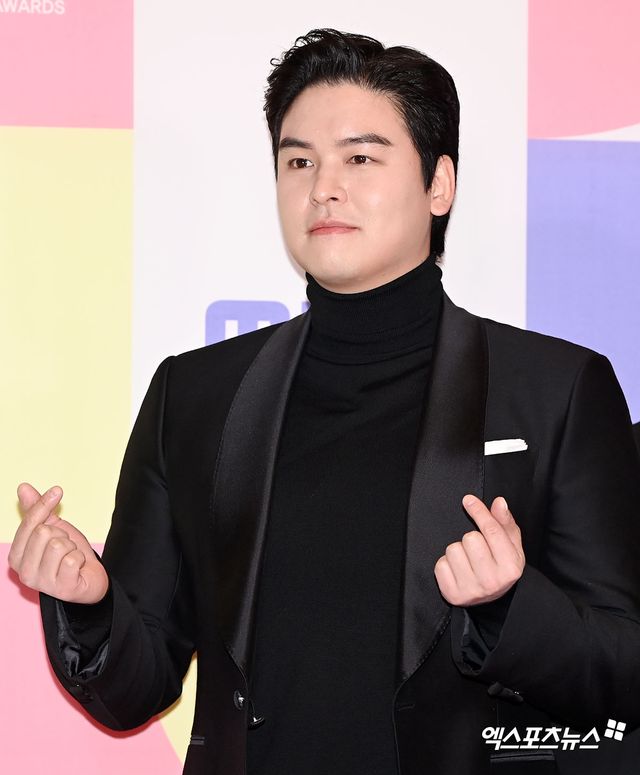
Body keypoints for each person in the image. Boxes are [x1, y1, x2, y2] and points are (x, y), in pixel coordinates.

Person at [8, 29, 640, 775]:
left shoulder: (556, 390)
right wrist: (90, 605)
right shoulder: (195, 394)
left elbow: (623, 669)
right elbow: (137, 687)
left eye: (360, 158)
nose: (323, 188)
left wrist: (511, 606)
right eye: (299, 161)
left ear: (439, 184)